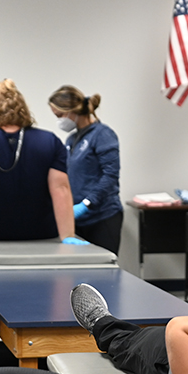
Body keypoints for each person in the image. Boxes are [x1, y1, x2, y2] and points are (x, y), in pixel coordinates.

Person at [0, 79, 87, 244]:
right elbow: (60, 189)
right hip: (41, 236)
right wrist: (68, 236)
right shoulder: (49, 142)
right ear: (24, 109)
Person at [48, 85, 123, 254]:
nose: (59, 120)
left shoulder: (102, 134)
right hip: (77, 220)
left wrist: (87, 204)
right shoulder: (72, 139)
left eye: (59, 115)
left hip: (102, 217)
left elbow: (110, 175)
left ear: (72, 110)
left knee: (102, 271)